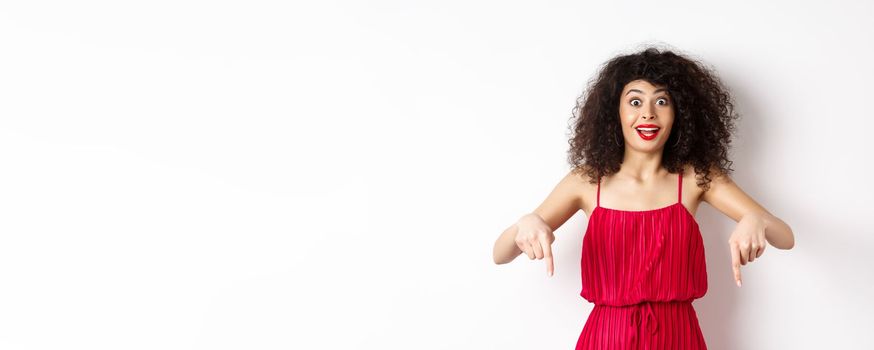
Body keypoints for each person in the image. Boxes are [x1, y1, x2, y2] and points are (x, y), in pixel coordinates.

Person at [492, 46, 795, 349]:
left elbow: (786, 237)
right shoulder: (585, 181)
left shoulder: (697, 178)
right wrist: (526, 222)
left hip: (679, 339)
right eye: (635, 101)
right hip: (606, 339)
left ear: (679, 113)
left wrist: (755, 219)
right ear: (616, 112)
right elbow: (500, 254)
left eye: (661, 101)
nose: (648, 113)